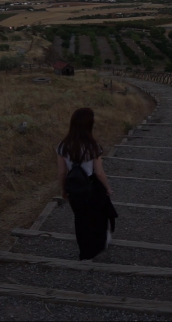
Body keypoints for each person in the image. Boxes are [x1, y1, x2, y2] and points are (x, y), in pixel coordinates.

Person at [57, 107, 117, 260]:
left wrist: (63, 189)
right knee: (98, 216)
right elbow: (99, 173)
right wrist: (108, 188)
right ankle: (98, 246)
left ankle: (84, 252)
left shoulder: (62, 146)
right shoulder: (93, 146)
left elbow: (62, 173)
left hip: (75, 188)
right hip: (93, 186)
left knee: (80, 219)